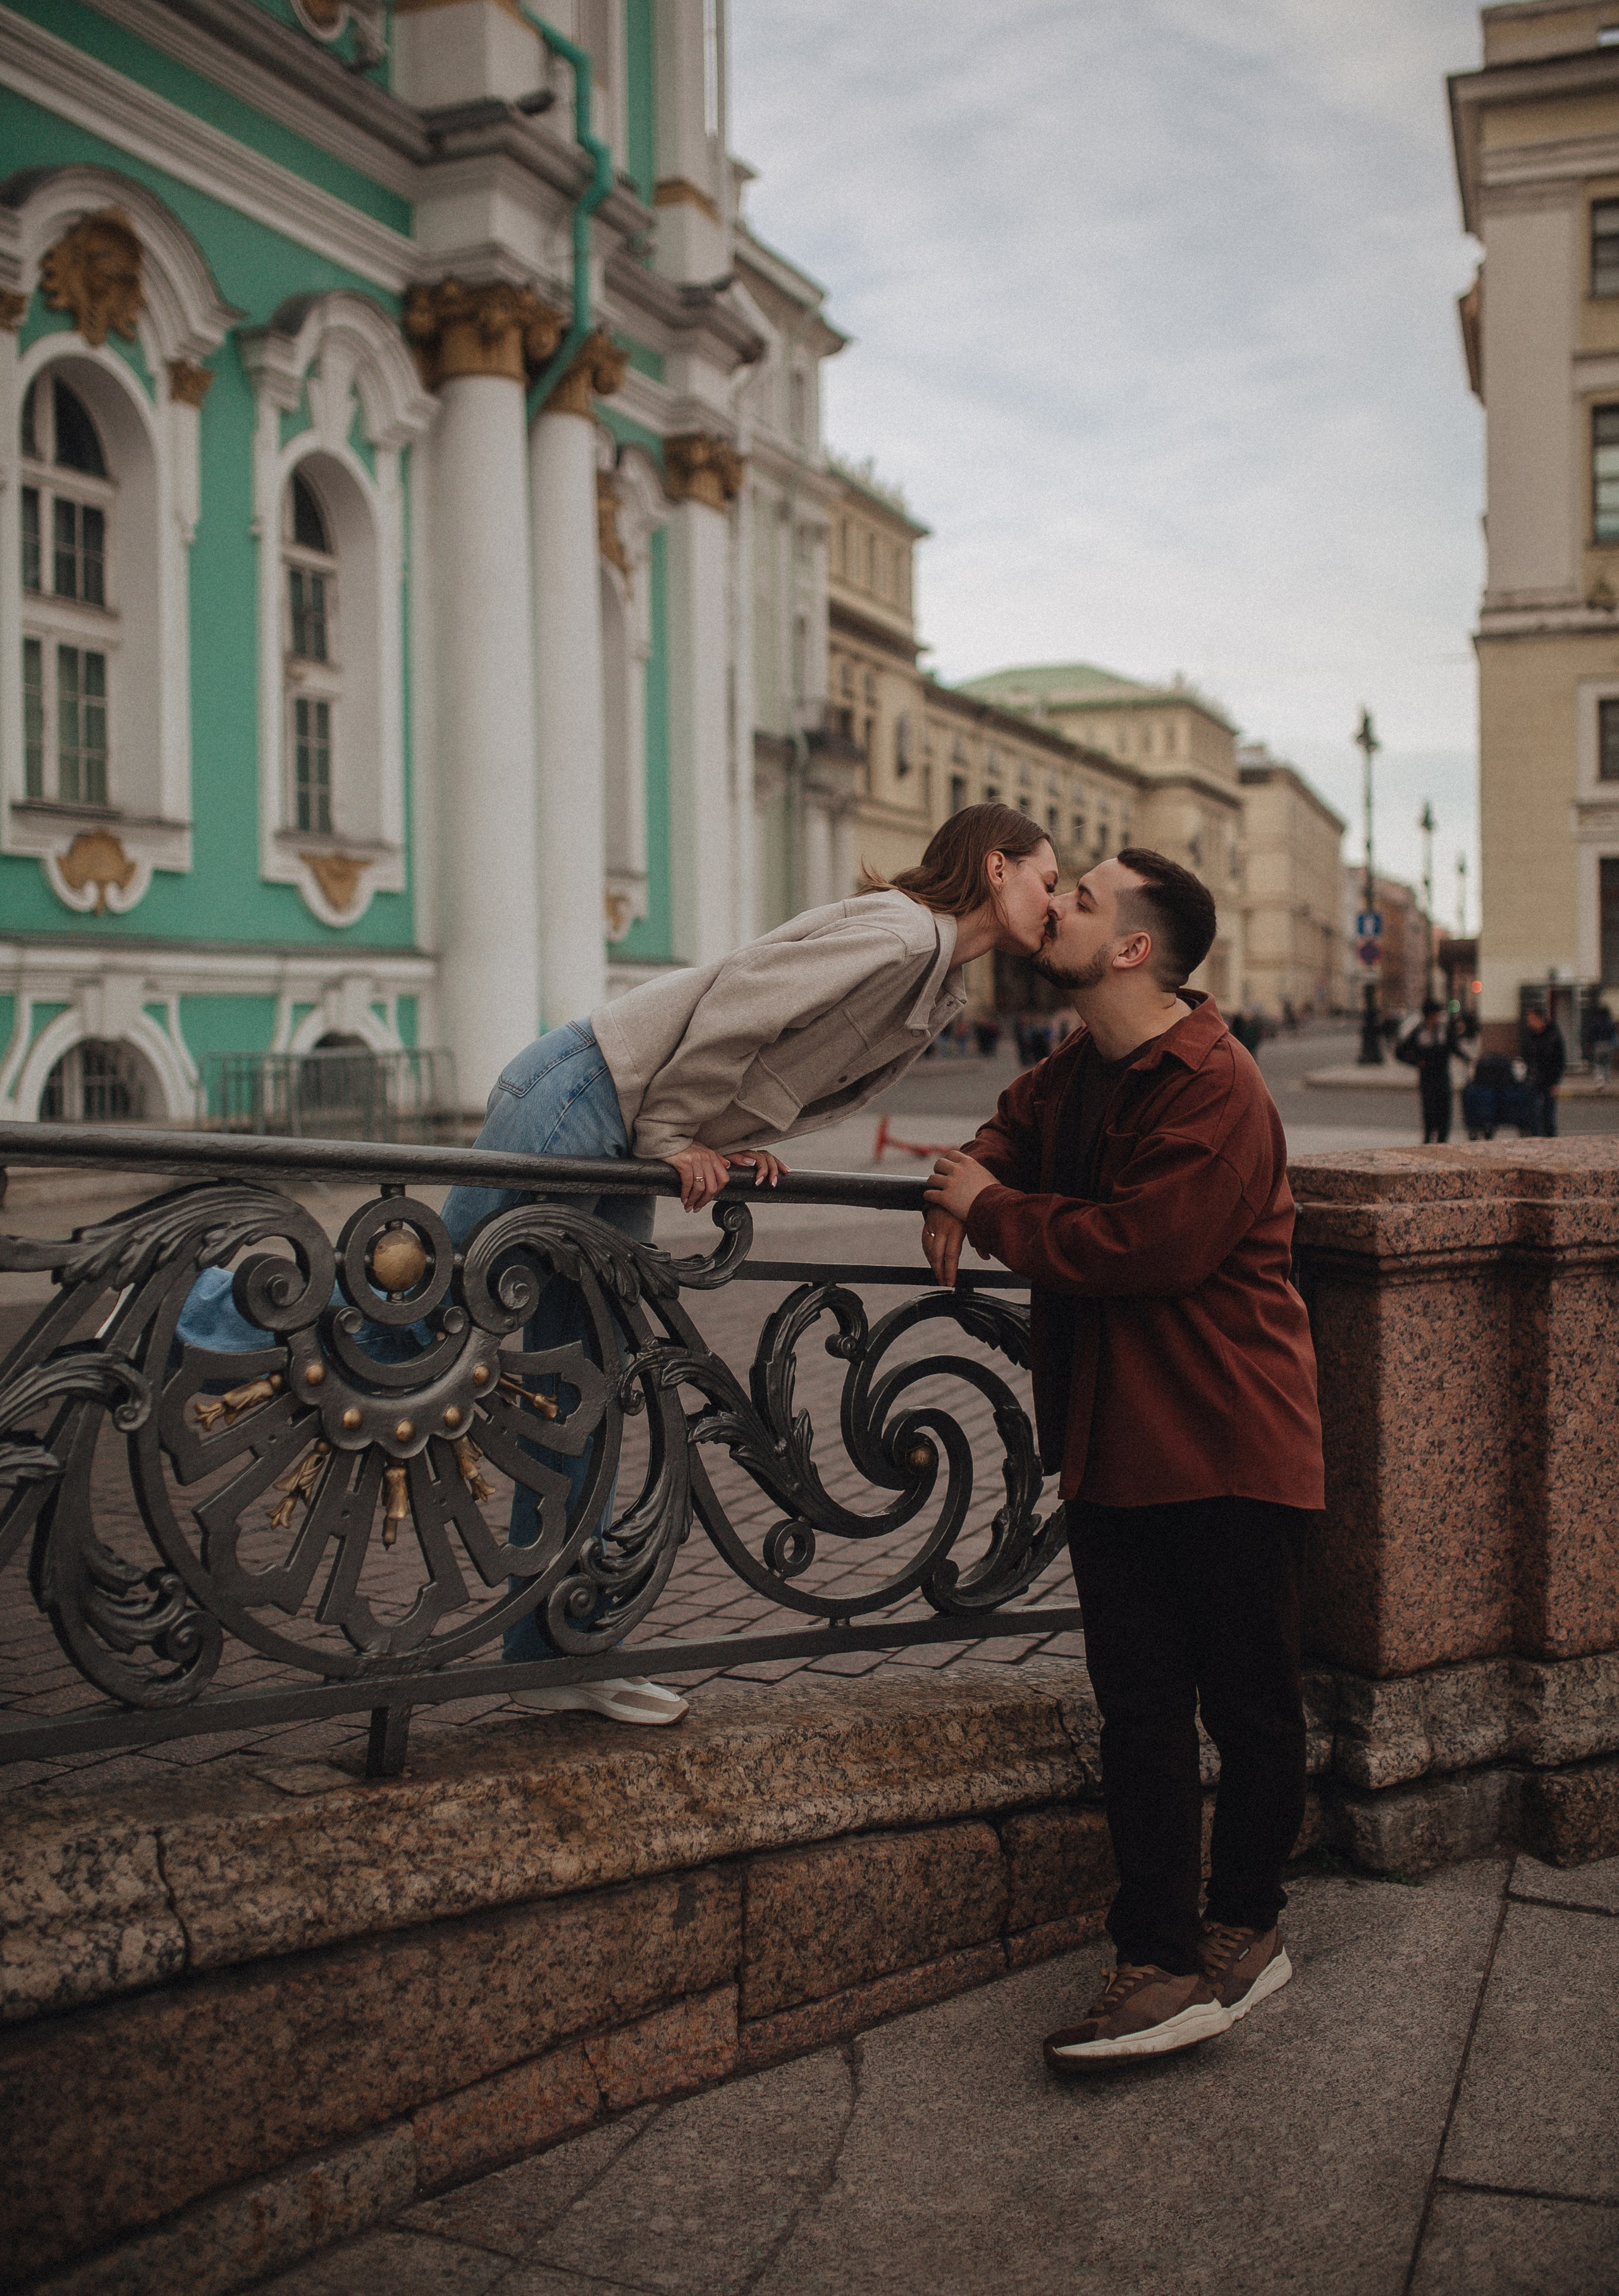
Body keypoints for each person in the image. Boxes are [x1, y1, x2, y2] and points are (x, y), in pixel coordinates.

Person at [180, 806, 1061, 1725]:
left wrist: (730, 1132)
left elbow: (780, 1041)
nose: (1054, 901)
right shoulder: (902, 933)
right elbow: (745, 998)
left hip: (615, 1114)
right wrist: (677, 1129)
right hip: (586, 1096)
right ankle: (184, 1314)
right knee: (422, 1310)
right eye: (1048, 879)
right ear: (996, 868)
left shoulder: (936, 975)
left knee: (581, 1390)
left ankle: (557, 1652)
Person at [920, 847, 1324, 2069]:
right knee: (1139, 1716)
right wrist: (969, 1180)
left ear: (1134, 949)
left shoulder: (1217, 1085)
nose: (1054, 906)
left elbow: (1144, 1249)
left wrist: (987, 1208)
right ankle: (1156, 1958)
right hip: (1114, 1443)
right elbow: (1008, 1132)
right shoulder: (1076, 1067)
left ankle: (1245, 1924)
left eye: (1082, 900)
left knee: (1251, 1709)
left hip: (1231, 1441)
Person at [1396, 998, 1460, 1144]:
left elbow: (1454, 1048)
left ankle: (1442, 1143)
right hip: (1427, 1079)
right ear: (1430, 1015)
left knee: (1445, 1114)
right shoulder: (1419, 1033)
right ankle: (1428, 1143)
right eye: (1436, 1014)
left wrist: (1467, 1059)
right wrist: (1416, 1062)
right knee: (1430, 1114)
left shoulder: (1443, 1031)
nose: (1438, 1018)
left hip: (1443, 1077)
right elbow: (1400, 1052)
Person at [1522, 1005, 1567, 1137]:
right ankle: (1536, 1138)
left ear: (1539, 1019)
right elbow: (1527, 1055)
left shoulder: (1553, 1034)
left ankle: (1550, 1139)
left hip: (1549, 1079)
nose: (1529, 1022)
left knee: (1549, 1114)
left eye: (1531, 1019)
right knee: (1533, 1113)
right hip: (1533, 1079)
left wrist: (1556, 1082)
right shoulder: (1529, 1035)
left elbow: (1560, 1060)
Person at [1589, 1001, 1615, 1089]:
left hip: (1598, 1045)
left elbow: (1591, 1035)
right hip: (1609, 1045)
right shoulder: (1610, 1023)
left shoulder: (1596, 1022)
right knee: (1606, 1064)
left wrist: (1590, 1044)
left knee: (1598, 1064)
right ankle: (1607, 1082)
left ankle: (1600, 1082)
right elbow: (1613, 1035)